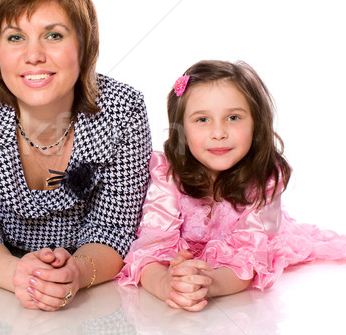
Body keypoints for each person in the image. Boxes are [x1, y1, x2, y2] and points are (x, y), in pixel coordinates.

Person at [0, 0, 152, 311]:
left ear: (84, 46)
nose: (33, 55)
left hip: (96, 303)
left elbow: (115, 228)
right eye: (15, 38)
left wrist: (78, 273)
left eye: (53, 35)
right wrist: (19, 274)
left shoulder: (123, 110)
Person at [116, 60, 346, 311]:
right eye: (202, 119)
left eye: (233, 117)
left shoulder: (266, 179)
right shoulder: (167, 172)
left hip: (246, 251)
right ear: (181, 129)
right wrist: (165, 283)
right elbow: (151, 245)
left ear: (256, 123)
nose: (218, 133)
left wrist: (209, 283)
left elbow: (252, 256)